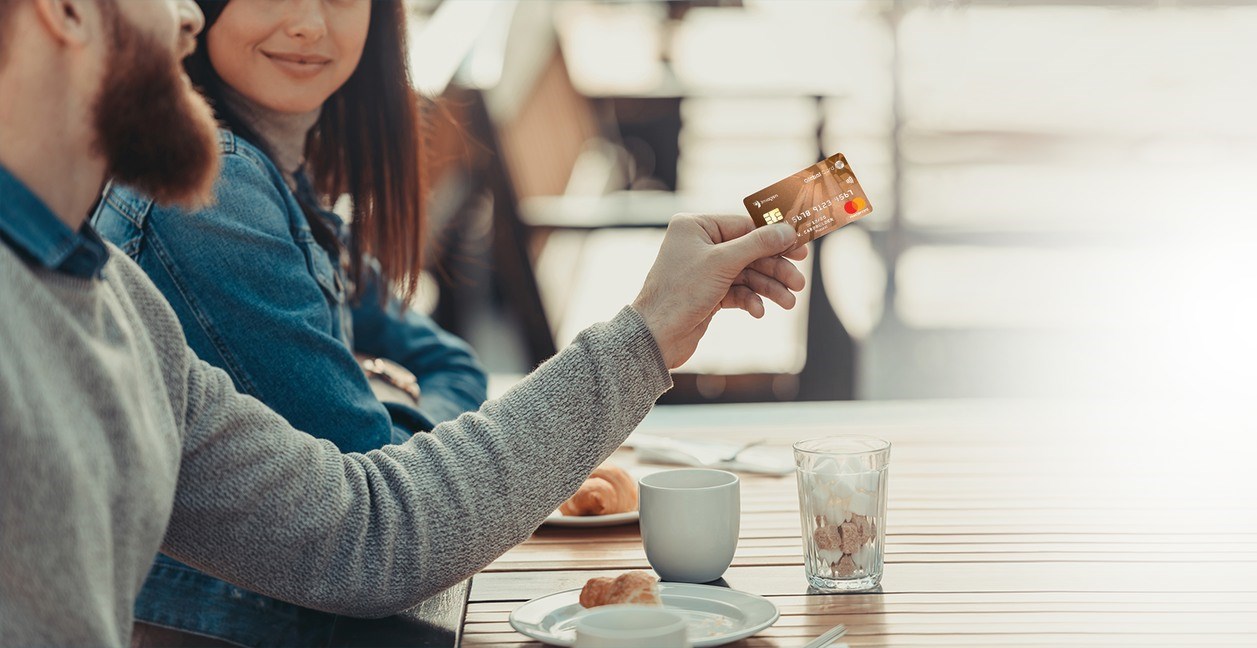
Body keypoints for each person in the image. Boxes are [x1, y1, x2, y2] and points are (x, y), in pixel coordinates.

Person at [0, 0, 805, 645]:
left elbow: (370, 531)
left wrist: (654, 327)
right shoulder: (184, 221)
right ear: (65, 9)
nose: (187, 17)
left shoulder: (119, 306)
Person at [90, 2, 488, 642]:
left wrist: (395, 428)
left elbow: (456, 365)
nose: (308, 23)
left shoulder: (290, 180)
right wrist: (398, 414)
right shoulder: (214, 189)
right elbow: (393, 511)